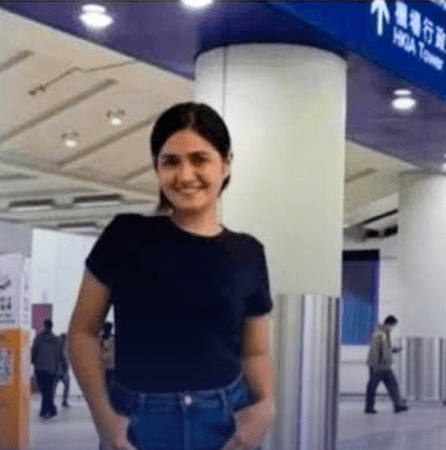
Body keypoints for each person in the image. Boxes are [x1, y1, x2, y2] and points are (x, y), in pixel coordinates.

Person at [68, 102, 276, 450]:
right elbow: (82, 332)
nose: (185, 175)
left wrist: (267, 406)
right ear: (156, 167)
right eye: (170, 162)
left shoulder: (248, 253)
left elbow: (255, 352)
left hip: (225, 421)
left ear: (225, 163)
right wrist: (105, 420)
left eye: (199, 159)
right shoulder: (125, 236)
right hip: (137, 424)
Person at [365, 315, 409, 414]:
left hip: (381, 365)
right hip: (379, 365)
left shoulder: (383, 333)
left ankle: (397, 405)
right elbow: (376, 350)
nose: (393, 327)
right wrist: (380, 362)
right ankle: (370, 407)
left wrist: (394, 350)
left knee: (389, 385)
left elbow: (384, 348)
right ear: (389, 323)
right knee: (375, 386)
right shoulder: (380, 334)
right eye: (393, 325)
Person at [31, 319, 60, 419]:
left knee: (44, 390)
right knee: (48, 390)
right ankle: (49, 409)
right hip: (51, 368)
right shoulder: (56, 339)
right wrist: (58, 367)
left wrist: (33, 362)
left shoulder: (38, 338)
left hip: (40, 368)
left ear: (44, 325)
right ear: (52, 326)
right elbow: (58, 355)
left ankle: (46, 410)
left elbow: (34, 351)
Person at [52, 333, 71, 408]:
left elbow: (67, 359)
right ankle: (54, 402)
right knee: (54, 388)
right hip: (59, 371)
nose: (63, 340)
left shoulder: (66, 348)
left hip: (63, 371)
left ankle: (64, 401)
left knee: (65, 387)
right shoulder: (57, 348)